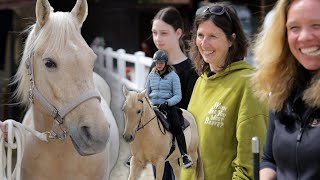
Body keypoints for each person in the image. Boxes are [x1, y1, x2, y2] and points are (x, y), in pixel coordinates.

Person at [180, 2, 268, 179]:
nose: (204, 43)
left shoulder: (248, 84)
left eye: (213, 36)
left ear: (231, 39)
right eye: (200, 35)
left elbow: (249, 166)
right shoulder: (201, 81)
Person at [251, 0, 320, 179]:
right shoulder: (282, 88)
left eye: (317, 25)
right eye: (294, 27)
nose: (304, 37)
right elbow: (269, 160)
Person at [146, 50, 193, 170]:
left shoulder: (173, 76)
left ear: (165, 63)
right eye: (157, 63)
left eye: (161, 63)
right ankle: (136, 154)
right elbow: (147, 92)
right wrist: (149, 103)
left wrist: (167, 103)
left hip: (168, 106)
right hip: (153, 106)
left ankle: (184, 155)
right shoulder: (151, 75)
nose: (158, 65)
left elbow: (178, 95)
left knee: (176, 127)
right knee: (138, 122)